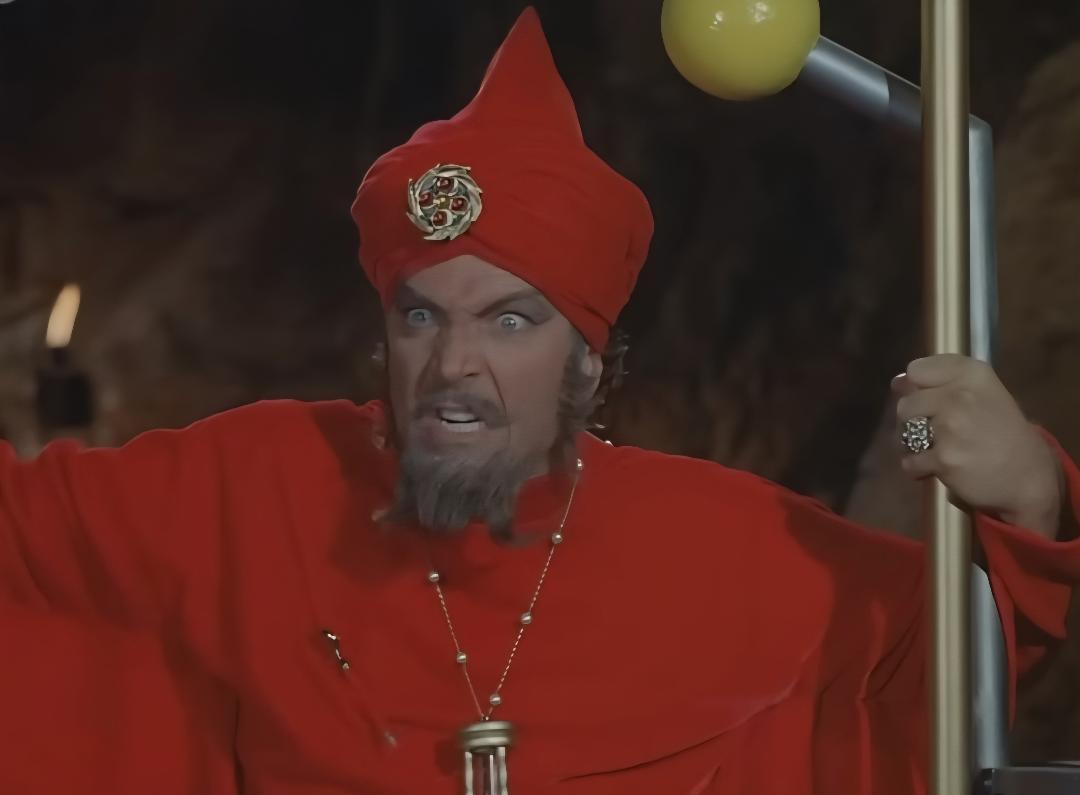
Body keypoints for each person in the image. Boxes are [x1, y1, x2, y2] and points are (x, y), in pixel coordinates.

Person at [2, 8, 1079, 794]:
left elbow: (952, 664)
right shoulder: (253, 484)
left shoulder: (730, 541)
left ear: (587, 365)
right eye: (422, 316)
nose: (453, 363)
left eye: (510, 321)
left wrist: (1028, 490)